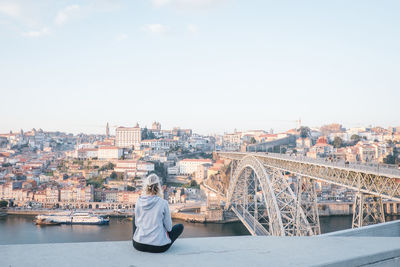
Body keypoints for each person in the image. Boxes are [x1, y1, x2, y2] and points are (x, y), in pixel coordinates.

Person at [132, 174, 184, 253]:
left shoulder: (139, 201)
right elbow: (169, 228)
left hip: (138, 245)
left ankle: (139, 237)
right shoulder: (163, 203)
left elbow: (137, 224)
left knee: (135, 217)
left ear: (145, 186)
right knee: (180, 227)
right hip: (158, 247)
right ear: (159, 187)